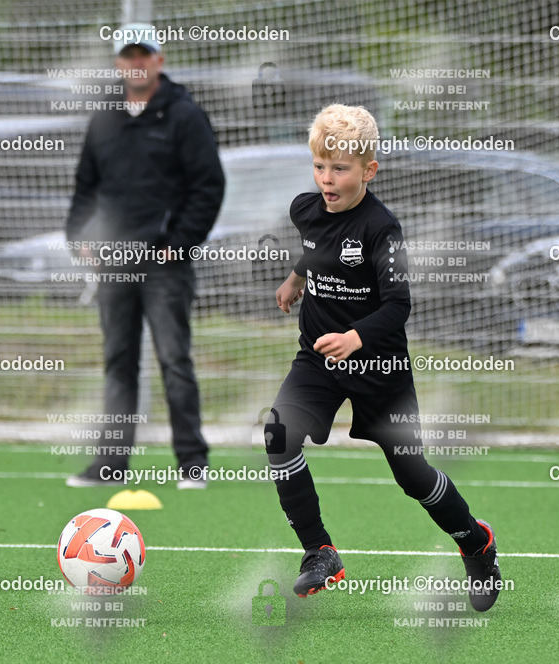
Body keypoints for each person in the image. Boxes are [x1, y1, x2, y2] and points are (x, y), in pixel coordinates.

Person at [264, 104, 500, 610]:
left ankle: (476, 543)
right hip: (319, 360)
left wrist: (356, 337)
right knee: (278, 434)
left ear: (369, 170)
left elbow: (399, 305)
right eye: (320, 166)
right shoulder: (305, 208)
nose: (328, 179)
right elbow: (318, 245)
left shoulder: (382, 229)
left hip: (379, 368)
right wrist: (297, 279)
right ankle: (318, 552)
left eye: (341, 168)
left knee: (412, 474)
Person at [64, 24, 225, 489]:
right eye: (127, 55)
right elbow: (85, 188)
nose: (136, 62)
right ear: (119, 62)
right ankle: (110, 464)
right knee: (118, 359)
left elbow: (208, 186)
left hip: (165, 263)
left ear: (159, 59)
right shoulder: (105, 117)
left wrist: (181, 240)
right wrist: (80, 239)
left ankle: (192, 464)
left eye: (144, 54)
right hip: (113, 263)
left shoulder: (184, 115)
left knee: (174, 359)